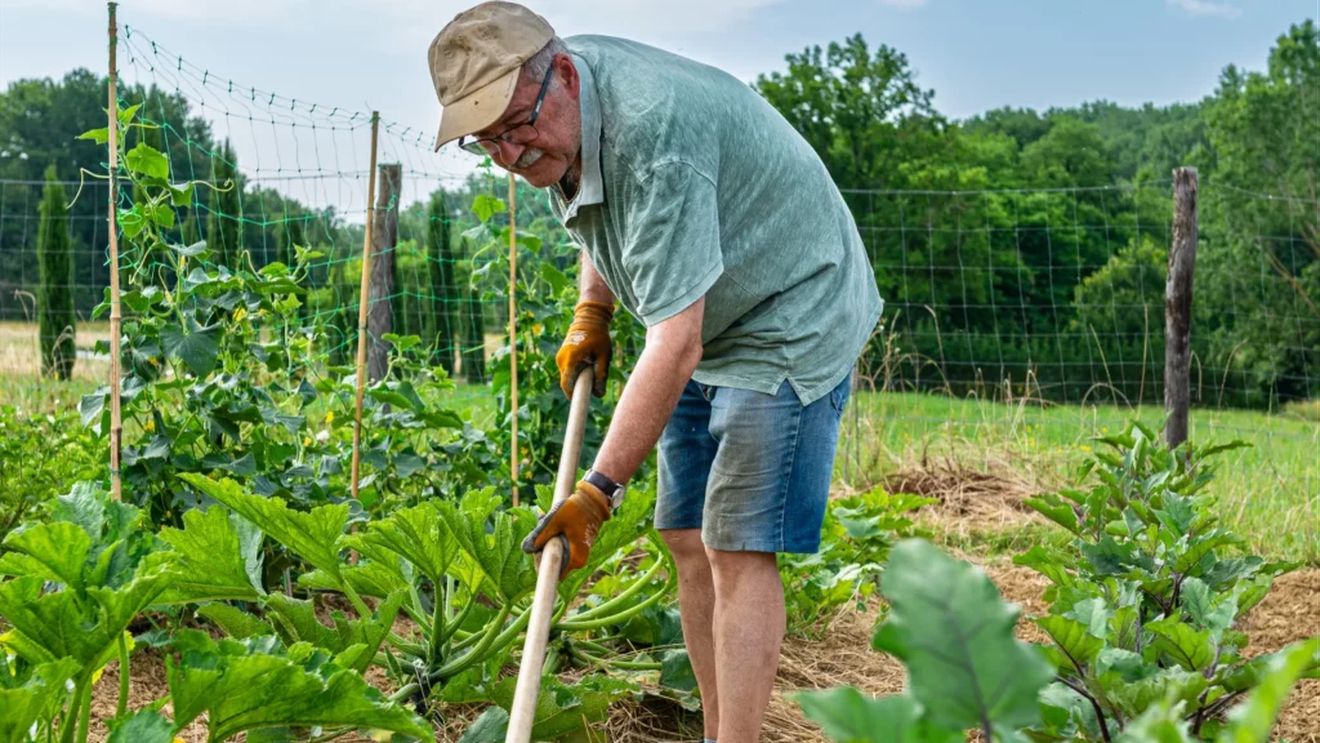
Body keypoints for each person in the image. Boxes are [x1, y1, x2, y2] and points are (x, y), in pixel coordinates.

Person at [427, 3, 882, 741]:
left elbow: (675, 344)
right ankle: (716, 729)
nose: (509, 154)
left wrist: (596, 492)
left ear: (565, 75)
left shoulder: (653, 135)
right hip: (707, 300)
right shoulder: (561, 116)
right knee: (684, 532)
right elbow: (607, 211)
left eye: (515, 127)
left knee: (736, 543)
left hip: (790, 304)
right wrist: (592, 310)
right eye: (488, 142)